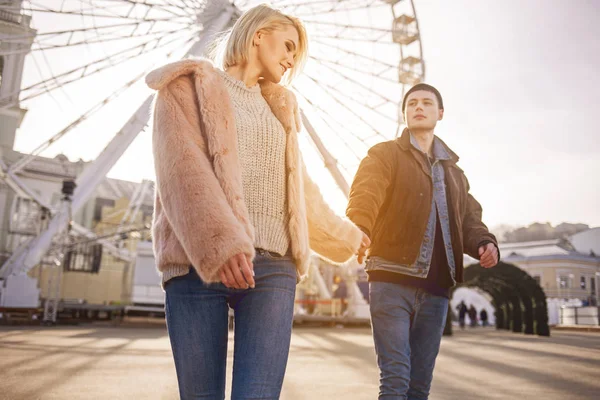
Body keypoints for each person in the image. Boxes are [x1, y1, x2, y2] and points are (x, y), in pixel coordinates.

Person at [147, 5, 369, 399]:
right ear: (258, 34)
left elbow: (300, 194)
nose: (290, 59)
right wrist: (222, 245)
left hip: (273, 269)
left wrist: (349, 237)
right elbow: (182, 174)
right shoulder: (185, 87)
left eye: (295, 55)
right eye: (287, 45)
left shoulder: (278, 108)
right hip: (197, 266)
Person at [346, 83, 499, 399]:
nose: (419, 107)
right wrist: (359, 226)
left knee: (419, 385)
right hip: (390, 278)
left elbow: (469, 218)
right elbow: (366, 193)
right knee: (396, 378)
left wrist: (485, 242)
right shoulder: (384, 154)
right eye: (412, 102)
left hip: (437, 288)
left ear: (440, 113)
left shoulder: (455, 174)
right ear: (404, 114)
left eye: (427, 103)